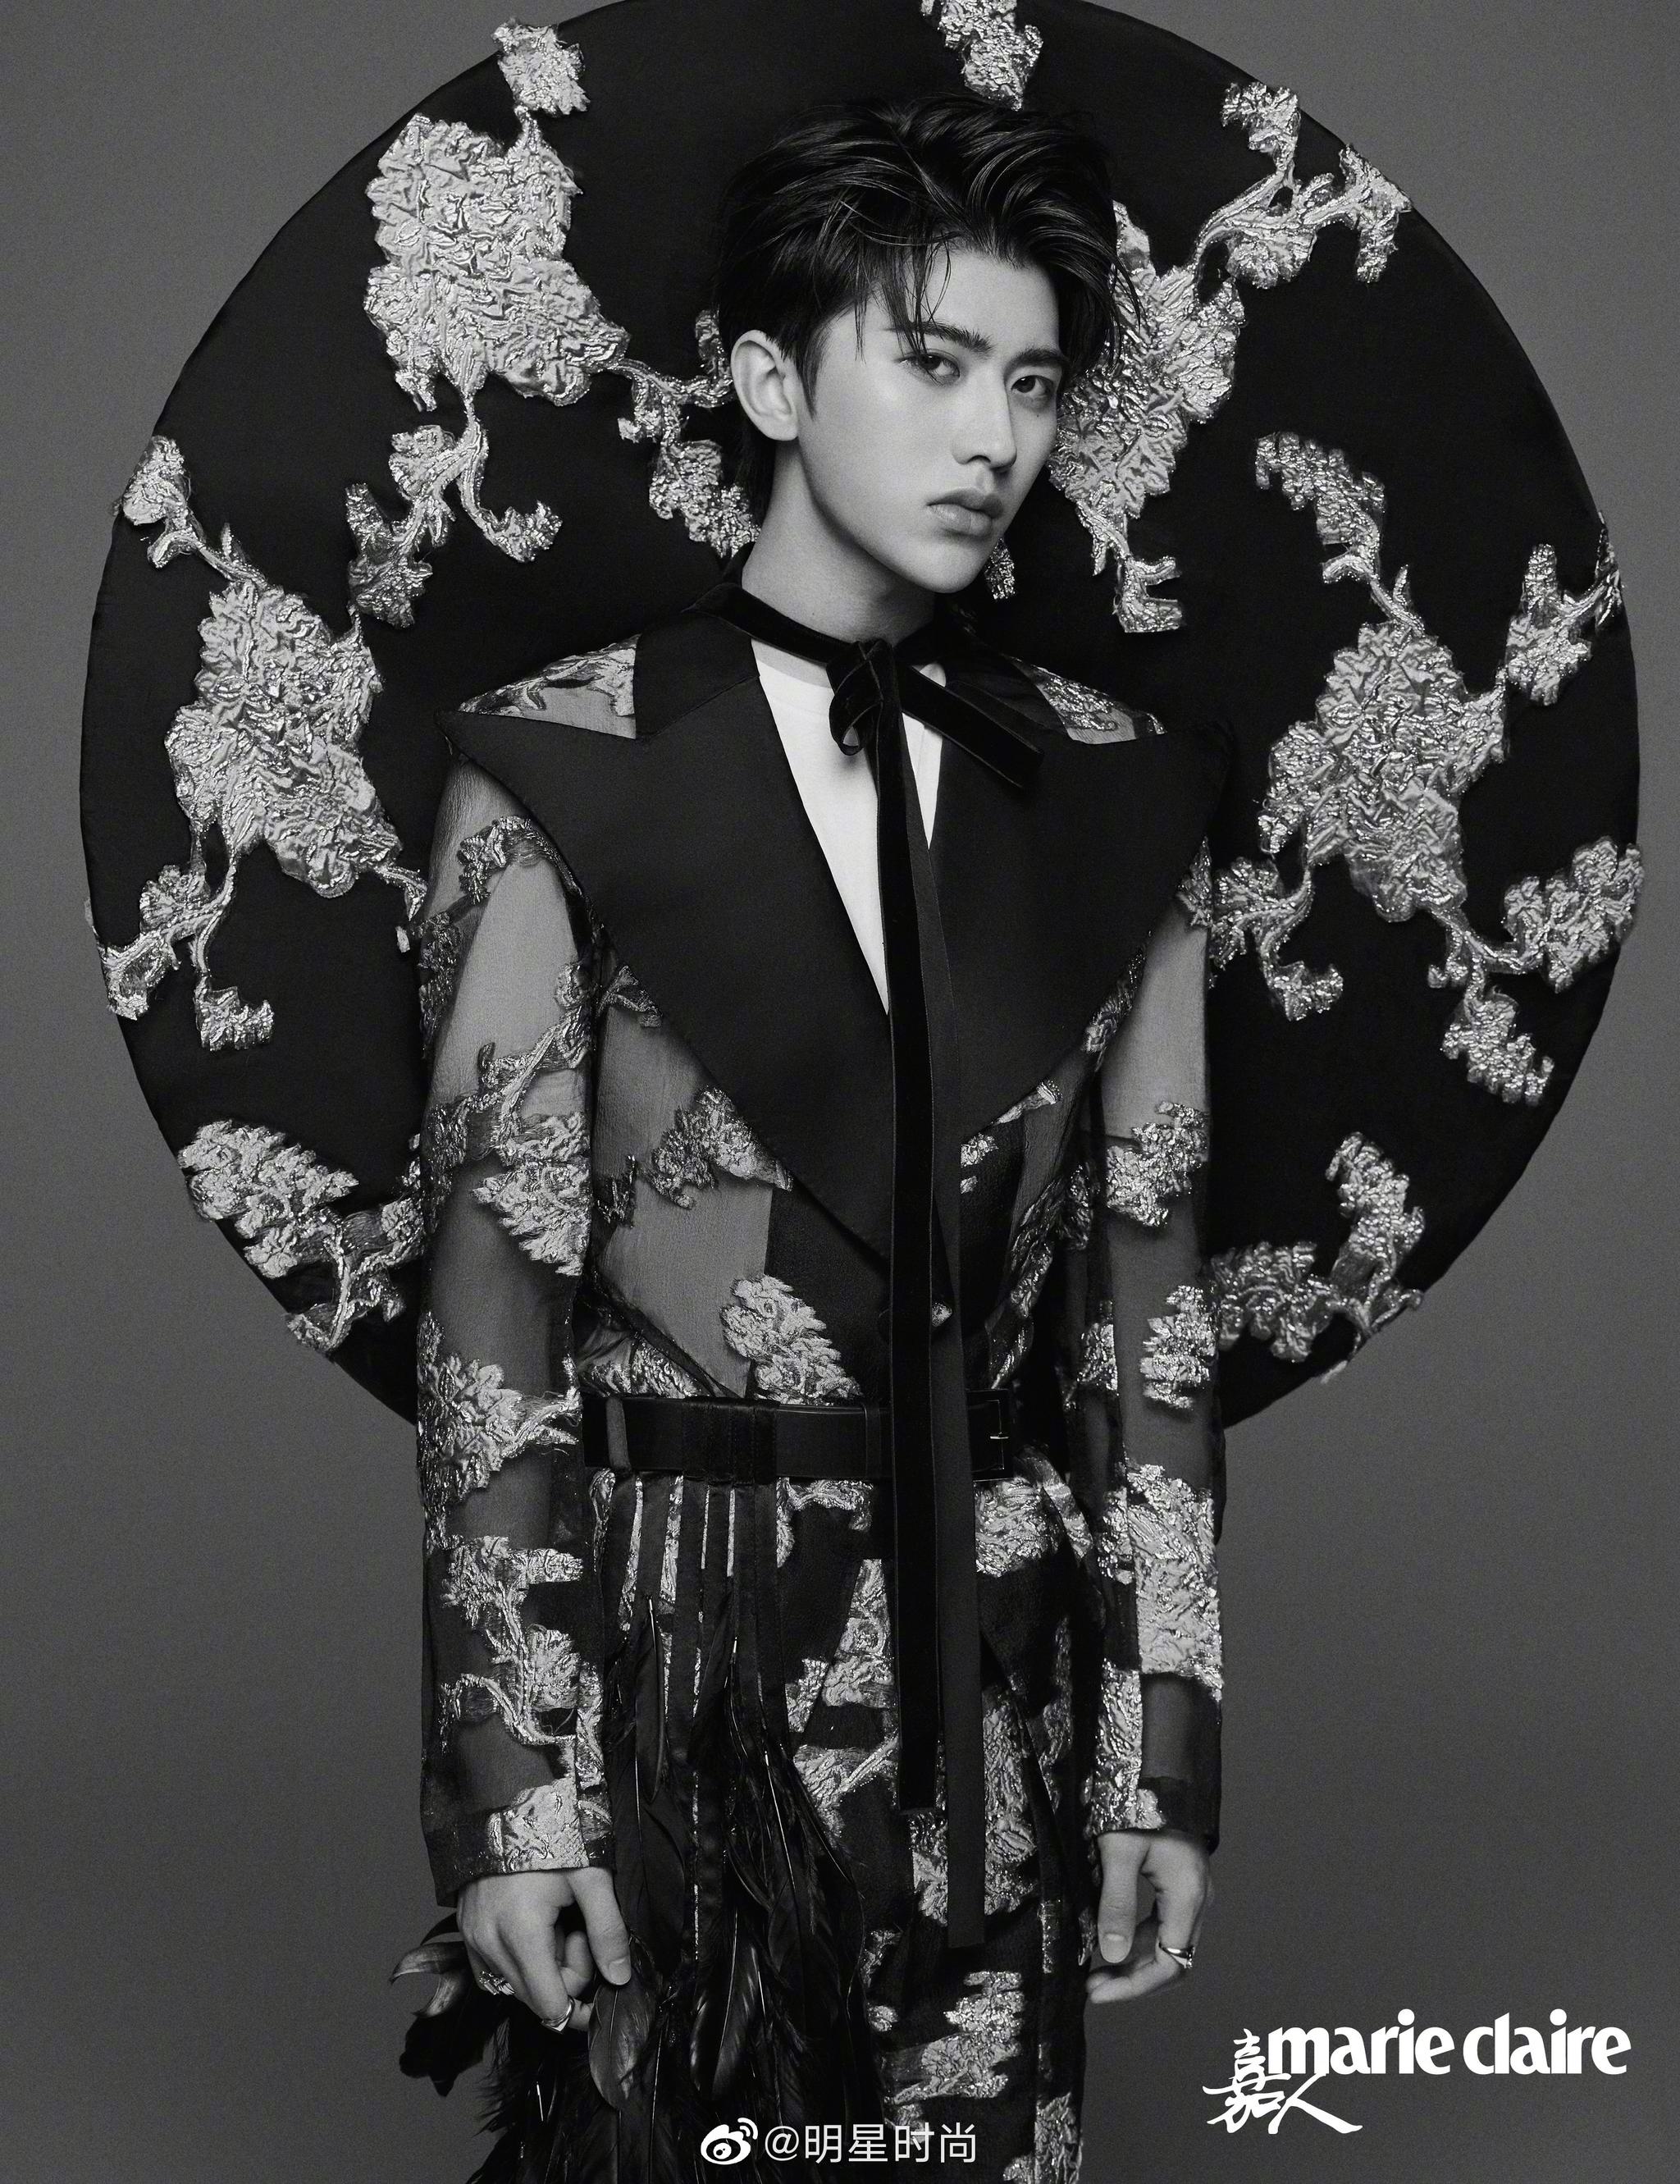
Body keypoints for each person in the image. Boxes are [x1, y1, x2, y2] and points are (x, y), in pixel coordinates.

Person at [410, 90, 1227, 2177]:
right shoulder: (560, 763)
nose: (992, 437)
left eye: (1031, 382)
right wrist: (515, 1791)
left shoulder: (1118, 783)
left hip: (1001, 1660)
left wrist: (1161, 1755)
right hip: (672, 1645)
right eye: (932, 363)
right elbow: (490, 1312)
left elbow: (1148, 1300)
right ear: (771, 383)